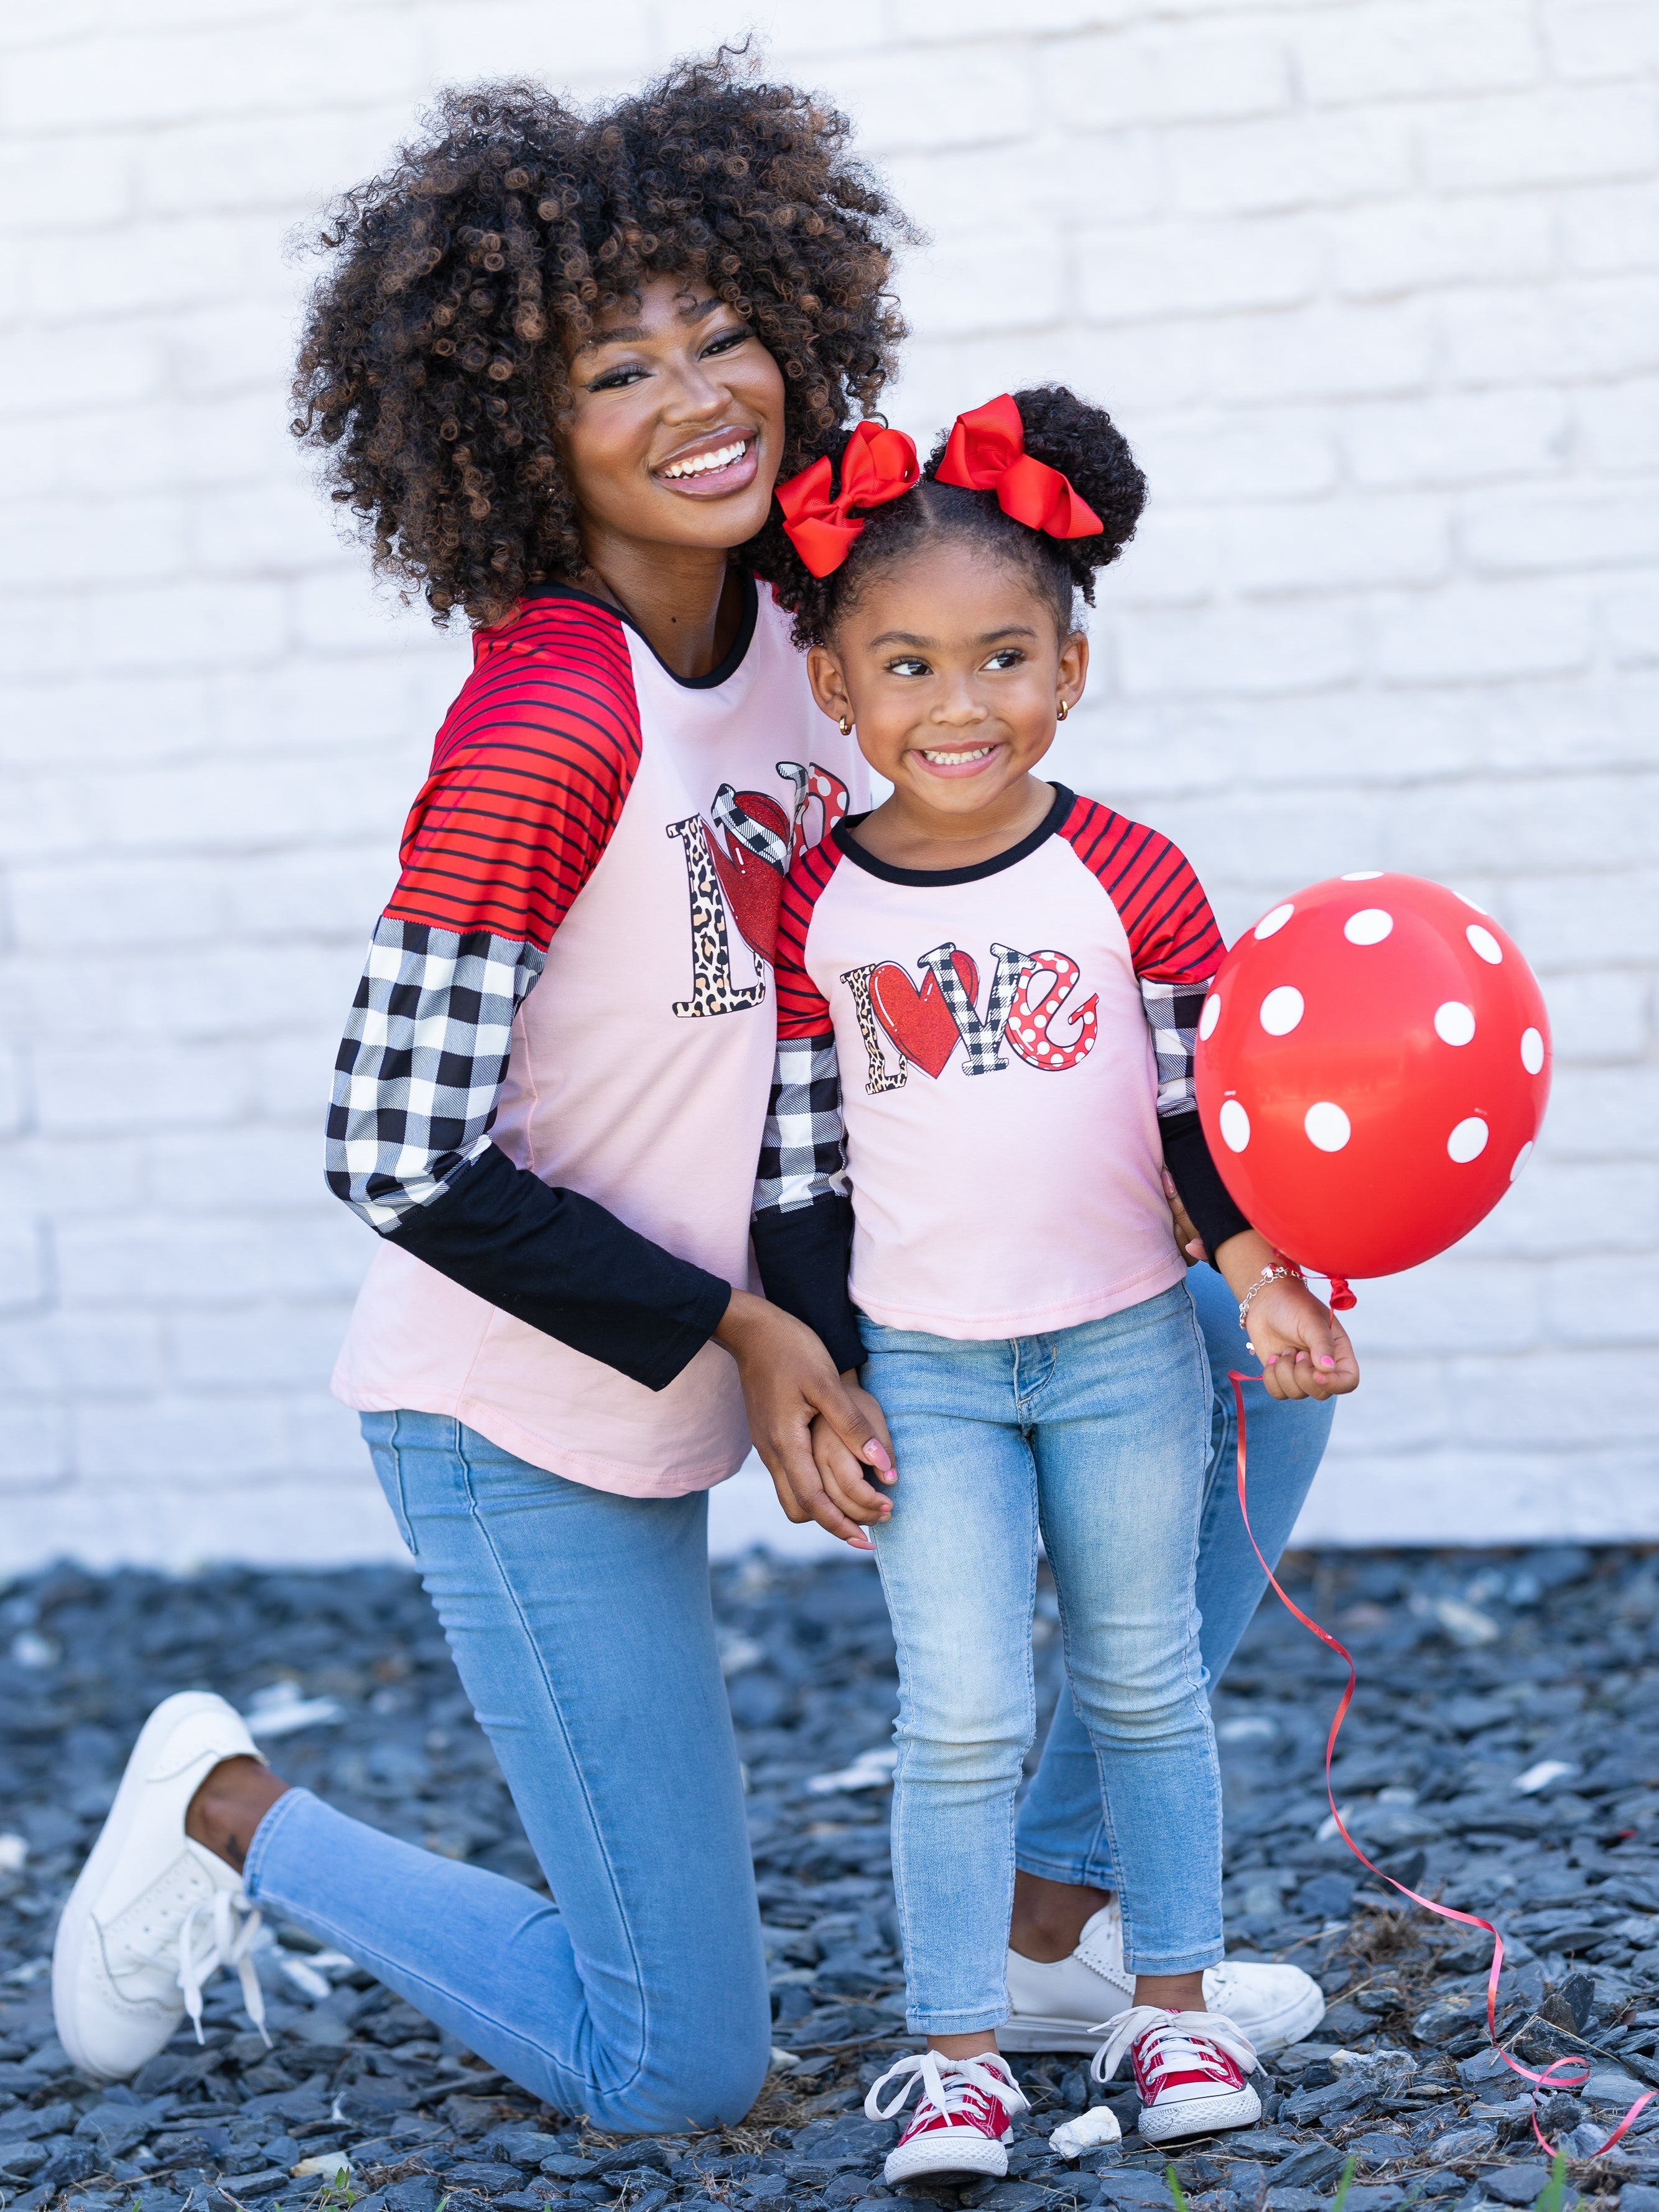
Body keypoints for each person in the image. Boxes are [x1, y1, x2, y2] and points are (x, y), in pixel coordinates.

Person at [50, 62, 1338, 2132]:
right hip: (535, 1399)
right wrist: (738, 1328)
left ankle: (1048, 1926)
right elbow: (389, 1147)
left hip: (818, 1326)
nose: (692, 396)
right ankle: (227, 1809)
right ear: (512, 432)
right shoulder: (544, 726)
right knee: (677, 2065)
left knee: (1237, 1360)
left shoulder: (812, 640)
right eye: (611, 369)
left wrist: (1204, 1209)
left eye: (719, 332)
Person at [750, 389, 1360, 2180]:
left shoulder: (1128, 874)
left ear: (1068, 671)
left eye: (1003, 657)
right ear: (839, 692)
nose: (960, 705)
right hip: (928, 1371)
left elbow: (1196, 1111)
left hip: (1114, 1353)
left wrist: (1257, 1273)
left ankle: (1164, 2010)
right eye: (911, 666)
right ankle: (954, 2054)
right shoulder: (816, 909)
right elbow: (798, 1171)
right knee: (953, 1709)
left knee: (1145, 1679)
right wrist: (831, 1368)